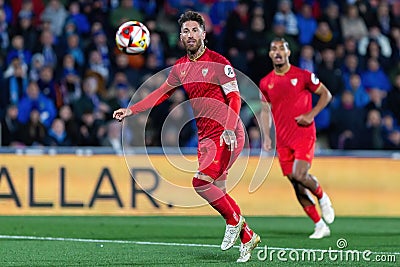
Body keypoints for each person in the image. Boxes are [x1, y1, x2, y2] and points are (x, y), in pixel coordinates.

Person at [113, 11, 260, 262]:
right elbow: (161, 93)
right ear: (180, 37)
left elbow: (234, 97)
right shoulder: (180, 67)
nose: (190, 35)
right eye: (185, 31)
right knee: (218, 190)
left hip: (226, 132)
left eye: (194, 30)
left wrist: (228, 126)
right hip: (205, 137)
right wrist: (131, 109)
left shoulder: (219, 62)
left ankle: (234, 222)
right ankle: (247, 236)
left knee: (201, 183)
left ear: (204, 34)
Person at [259, 38, 335, 239]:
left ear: (288, 53)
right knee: (296, 183)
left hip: (303, 134)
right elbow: (265, 111)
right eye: (273, 49)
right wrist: (266, 136)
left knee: (300, 174)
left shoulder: (303, 76)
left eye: (281, 49)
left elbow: (326, 95)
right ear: (269, 54)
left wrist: (311, 115)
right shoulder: (266, 82)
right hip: (282, 140)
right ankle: (319, 225)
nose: (277, 52)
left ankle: (322, 196)